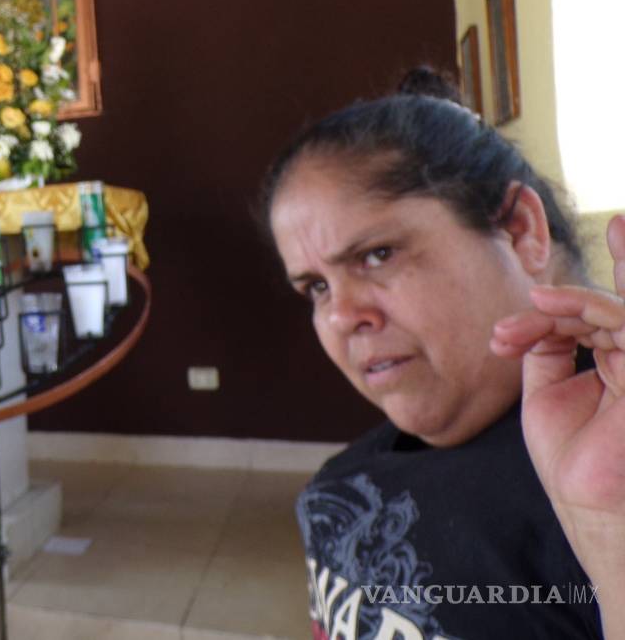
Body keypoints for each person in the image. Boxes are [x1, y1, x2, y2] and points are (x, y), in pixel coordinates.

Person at [262, 68, 625, 639]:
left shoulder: (607, 478)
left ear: (520, 228)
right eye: (316, 287)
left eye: (378, 253)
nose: (339, 316)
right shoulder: (341, 483)